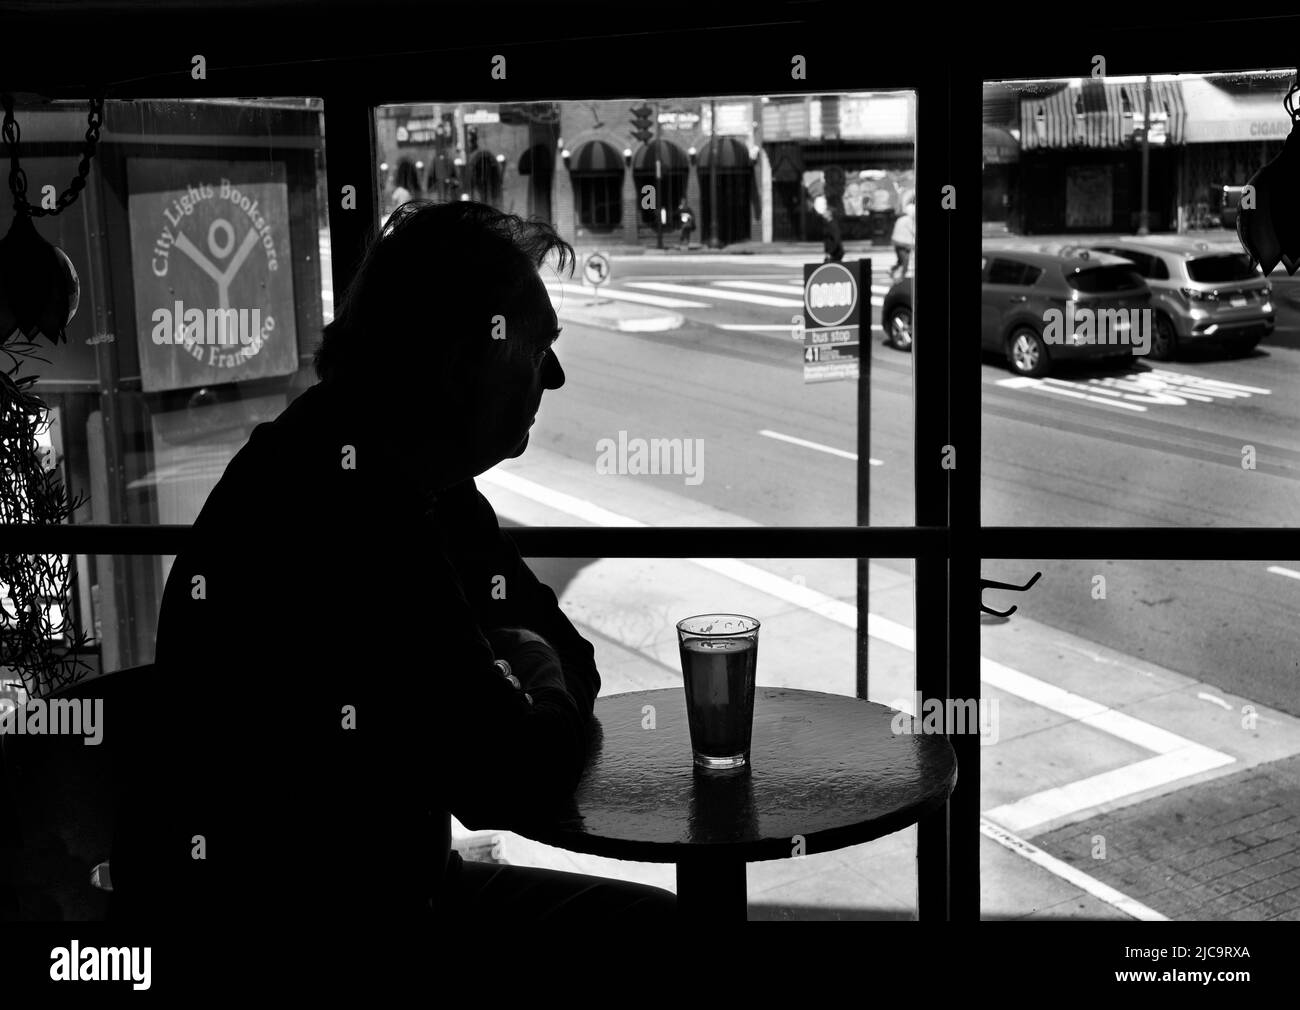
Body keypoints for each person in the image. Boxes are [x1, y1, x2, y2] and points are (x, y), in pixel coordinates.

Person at [108, 201, 678, 933]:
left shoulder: (405, 472)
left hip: (391, 895)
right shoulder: (351, 505)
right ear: (454, 363)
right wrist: (531, 663)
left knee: (658, 928)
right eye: (537, 350)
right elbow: (508, 773)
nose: (557, 376)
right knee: (659, 934)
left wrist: (531, 666)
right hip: (301, 937)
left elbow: (568, 657)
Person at [890, 201, 915, 280]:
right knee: (905, 260)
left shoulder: (901, 219)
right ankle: (902, 277)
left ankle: (892, 270)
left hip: (896, 242)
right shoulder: (909, 220)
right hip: (904, 243)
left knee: (901, 259)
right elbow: (914, 231)